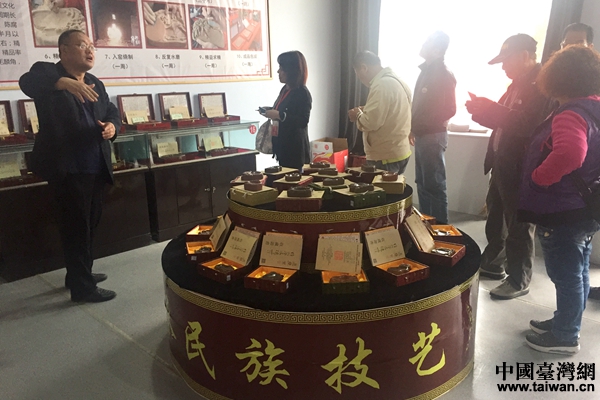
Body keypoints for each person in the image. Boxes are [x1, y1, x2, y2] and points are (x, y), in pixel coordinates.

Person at [19, 29, 121, 303]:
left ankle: (79, 273)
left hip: (95, 165)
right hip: (68, 167)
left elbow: (111, 111)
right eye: (82, 45)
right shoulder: (48, 75)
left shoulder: (95, 83)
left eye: (92, 46)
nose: (90, 50)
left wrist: (112, 126)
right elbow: (27, 81)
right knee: (75, 227)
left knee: (89, 224)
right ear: (64, 50)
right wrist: (63, 82)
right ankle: (82, 288)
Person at [518, 45, 600, 354]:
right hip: (586, 206)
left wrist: (539, 178)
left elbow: (570, 153)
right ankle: (566, 321)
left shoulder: (571, 113)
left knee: (565, 274)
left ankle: (566, 335)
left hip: (563, 208)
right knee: (578, 270)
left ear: (559, 77)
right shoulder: (595, 108)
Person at [466, 34, 553, 299]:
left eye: (507, 60)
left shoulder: (542, 86)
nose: (503, 67)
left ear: (525, 56)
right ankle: (494, 264)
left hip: (521, 167)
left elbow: (528, 124)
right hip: (503, 163)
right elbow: (505, 121)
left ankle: (518, 280)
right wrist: (481, 111)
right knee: (496, 217)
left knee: (519, 225)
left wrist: (491, 109)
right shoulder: (517, 85)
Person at [560, 23, 600, 301]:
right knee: (579, 259)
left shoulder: (577, 105)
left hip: (576, 195)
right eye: (566, 44)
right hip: (584, 194)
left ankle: (567, 325)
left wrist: (539, 177)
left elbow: (571, 153)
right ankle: (571, 316)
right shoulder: (581, 99)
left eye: (579, 43)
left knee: (567, 267)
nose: (571, 49)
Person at [409, 31, 456, 224]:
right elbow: (420, 107)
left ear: (437, 50)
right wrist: (414, 129)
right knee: (423, 184)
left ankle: (440, 232)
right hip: (423, 136)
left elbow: (450, 109)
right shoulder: (427, 71)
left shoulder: (443, 74)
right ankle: (426, 227)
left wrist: (421, 126)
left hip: (432, 136)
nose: (423, 44)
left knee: (434, 186)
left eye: (427, 42)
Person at [348, 51, 412, 173]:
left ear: (364, 68)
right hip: (400, 150)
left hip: (385, 156)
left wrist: (357, 115)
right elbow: (393, 111)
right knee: (396, 185)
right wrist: (367, 109)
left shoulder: (381, 85)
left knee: (381, 186)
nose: (360, 80)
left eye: (358, 75)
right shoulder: (398, 81)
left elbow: (371, 122)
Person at [260, 51, 311, 170]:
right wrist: (271, 111)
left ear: (291, 70)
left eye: (281, 68)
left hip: (294, 149)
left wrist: (279, 115)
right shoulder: (285, 89)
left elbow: (303, 120)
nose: (278, 72)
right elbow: (284, 110)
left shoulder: (302, 92)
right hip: (282, 145)